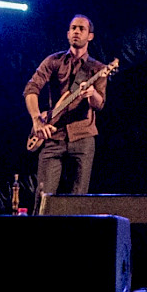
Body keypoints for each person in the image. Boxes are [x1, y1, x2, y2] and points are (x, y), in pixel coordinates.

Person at [23, 15, 108, 205]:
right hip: (53, 135)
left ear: (90, 36)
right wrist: (37, 119)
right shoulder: (54, 61)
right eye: (73, 28)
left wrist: (92, 93)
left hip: (83, 137)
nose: (76, 31)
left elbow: (100, 104)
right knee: (43, 198)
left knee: (78, 198)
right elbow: (31, 88)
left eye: (81, 29)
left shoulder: (98, 69)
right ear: (68, 33)